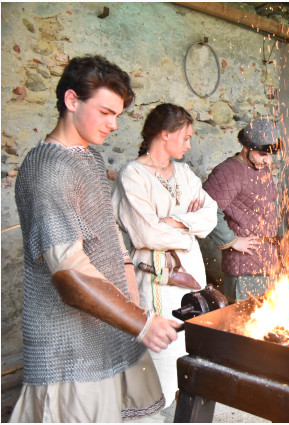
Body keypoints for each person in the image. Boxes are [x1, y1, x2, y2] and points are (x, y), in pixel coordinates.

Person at [11, 55, 180, 422]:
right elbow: (68, 274)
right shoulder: (48, 169)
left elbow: (106, 233)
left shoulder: (87, 158)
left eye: (116, 114)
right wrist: (142, 324)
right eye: (105, 112)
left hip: (111, 329)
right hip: (69, 345)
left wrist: (130, 289)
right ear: (72, 101)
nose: (113, 124)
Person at [111, 103, 218, 407]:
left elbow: (210, 216)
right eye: (185, 137)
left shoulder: (184, 173)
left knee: (191, 348)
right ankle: (156, 410)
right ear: (163, 134)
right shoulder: (133, 175)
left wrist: (173, 220)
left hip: (191, 275)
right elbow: (146, 233)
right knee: (160, 355)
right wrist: (187, 224)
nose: (189, 143)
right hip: (155, 279)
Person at [203, 118, 282, 301]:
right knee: (243, 325)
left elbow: (269, 207)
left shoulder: (263, 169)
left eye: (270, 155)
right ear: (246, 147)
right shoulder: (228, 171)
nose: (267, 160)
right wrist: (231, 241)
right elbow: (206, 208)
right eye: (263, 154)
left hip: (269, 262)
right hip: (243, 265)